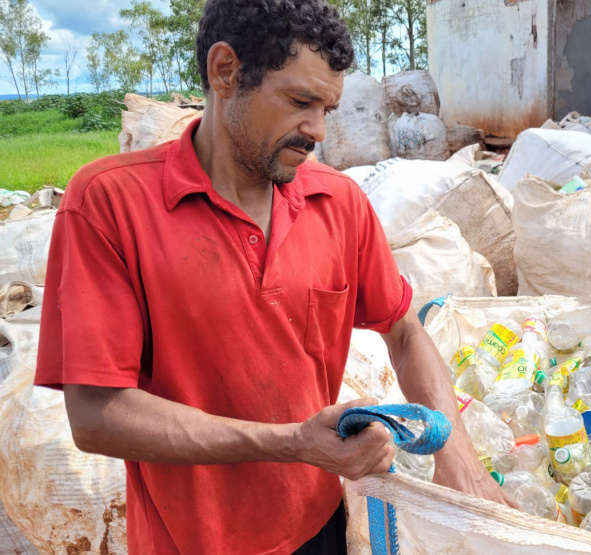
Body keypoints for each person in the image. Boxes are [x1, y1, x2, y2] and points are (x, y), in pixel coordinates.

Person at [33, 0, 508, 553]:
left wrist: (458, 458)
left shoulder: (340, 203)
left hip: (318, 523)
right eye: (302, 102)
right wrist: (292, 444)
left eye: (328, 108)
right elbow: (95, 415)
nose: (318, 131)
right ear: (225, 71)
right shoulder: (110, 203)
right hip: (187, 540)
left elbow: (404, 332)